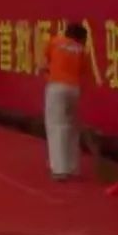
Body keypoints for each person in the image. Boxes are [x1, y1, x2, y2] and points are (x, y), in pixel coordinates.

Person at [41, 22, 91, 181]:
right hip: (74, 89)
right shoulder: (81, 50)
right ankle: (72, 167)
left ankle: (59, 169)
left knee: (56, 126)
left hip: (56, 87)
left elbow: (43, 64)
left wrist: (48, 75)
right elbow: (84, 72)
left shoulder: (55, 42)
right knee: (71, 128)